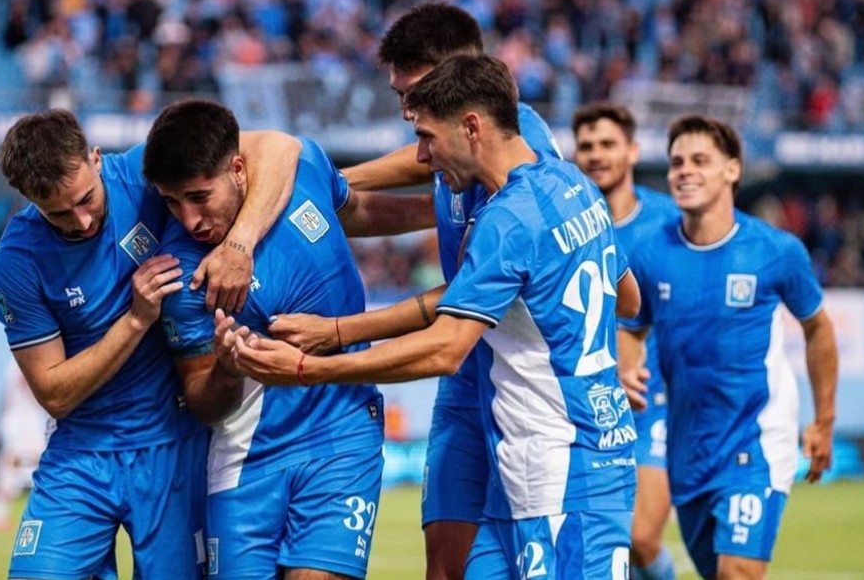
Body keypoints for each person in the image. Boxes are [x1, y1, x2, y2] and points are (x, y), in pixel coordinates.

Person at [226, 54, 642, 579]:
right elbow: (628, 298)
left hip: (567, 473)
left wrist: (308, 369)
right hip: (524, 473)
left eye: (426, 137)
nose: (421, 157)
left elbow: (446, 349)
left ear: (471, 127)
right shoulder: (572, 183)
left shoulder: (506, 220)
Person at [271, 2, 565, 580]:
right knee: (445, 570)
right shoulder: (450, 152)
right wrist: (317, 183)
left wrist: (334, 336)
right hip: (465, 386)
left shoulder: (519, 157)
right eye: (401, 97)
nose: (407, 113)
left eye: (415, 95)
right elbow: (405, 176)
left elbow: (457, 303)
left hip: (519, 383)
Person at [0, 109, 300, 579]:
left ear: (96, 158)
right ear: (28, 200)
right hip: (81, 454)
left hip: (174, 447)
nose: (82, 221)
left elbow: (280, 147)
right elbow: (54, 393)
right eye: (59, 213)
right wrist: (135, 319)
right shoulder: (17, 260)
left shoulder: (143, 175)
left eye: (87, 199)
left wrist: (239, 244)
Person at [143, 98, 433, 579]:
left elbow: (355, 209)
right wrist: (226, 370)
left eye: (199, 196)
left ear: (238, 169)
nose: (189, 219)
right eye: (172, 202)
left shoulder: (304, 167)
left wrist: (442, 213)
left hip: (341, 434)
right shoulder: (185, 272)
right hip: (247, 459)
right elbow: (203, 402)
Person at [617, 115, 839, 580]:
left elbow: (818, 328)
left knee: (737, 572)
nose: (685, 171)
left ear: (732, 170)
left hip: (756, 439)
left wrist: (824, 420)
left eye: (700, 160)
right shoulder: (651, 253)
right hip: (688, 449)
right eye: (677, 162)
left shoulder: (776, 251)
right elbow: (631, 327)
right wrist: (628, 365)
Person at [572, 103, 678, 580]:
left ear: (633, 151)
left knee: (639, 537)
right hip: (581, 400)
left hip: (651, 398)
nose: (597, 154)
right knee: (595, 542)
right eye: (587, 146)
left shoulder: (668, 222)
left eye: (608, 144)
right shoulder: (566, 222)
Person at [0, 360, 49, 532]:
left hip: (21, 419)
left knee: (14, 465)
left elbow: (4, 398)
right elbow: (28, 387)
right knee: (16, 464)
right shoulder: (25, 360)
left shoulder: (12, 364)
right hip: (23, 422)